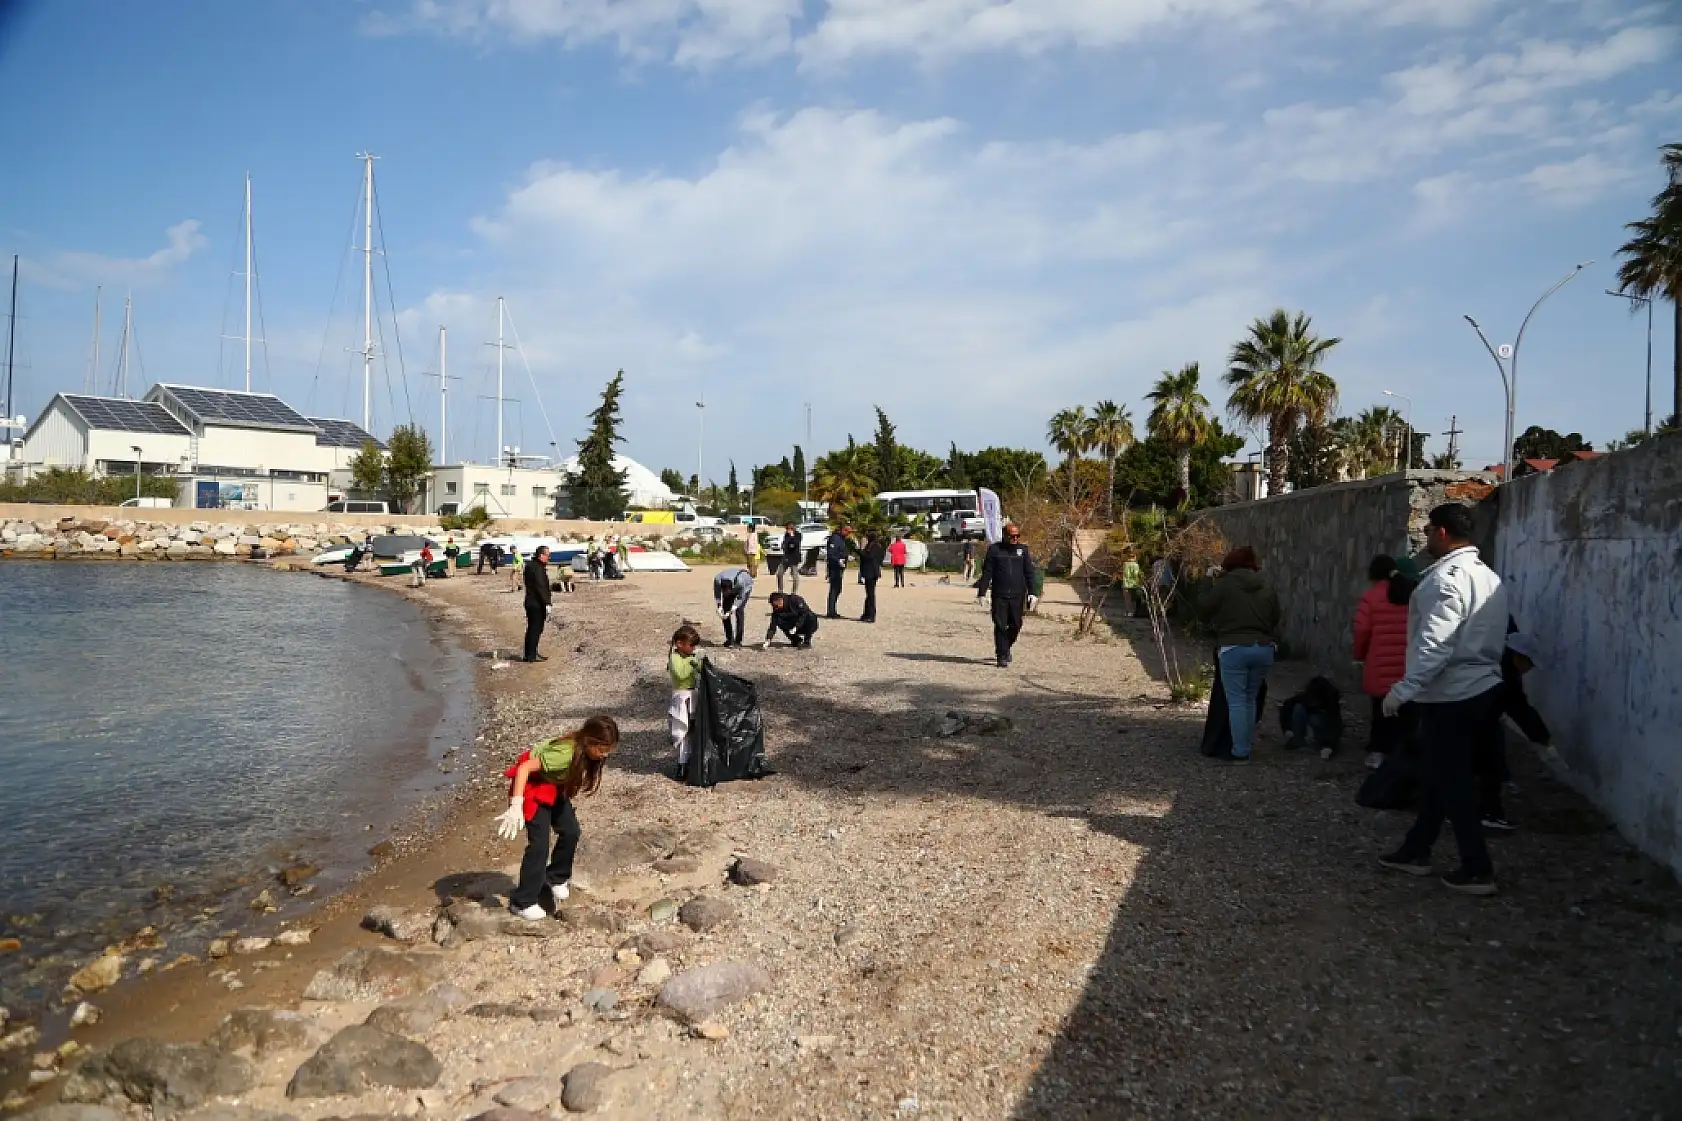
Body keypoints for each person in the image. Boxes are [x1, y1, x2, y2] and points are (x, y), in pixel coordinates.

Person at [1377, 502, 1509, 897]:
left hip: (1452, 694)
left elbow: (1436, 644)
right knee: (1439, 773)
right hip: (1482, 687)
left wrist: (1403, 690)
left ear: (1443, 533)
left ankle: (1477, 868)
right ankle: (1417, 849)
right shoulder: (1487, 576)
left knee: (1453, 780)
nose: (1426, 538)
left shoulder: (1445, 580)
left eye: (1429, 531)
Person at [495, 715, 619, 919]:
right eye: (602, 750)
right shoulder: (564, 754)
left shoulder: (586, 752)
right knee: (539, 846)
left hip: (553, 786)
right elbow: (524, 769)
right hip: (532, 786)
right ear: (589, 741)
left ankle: (555, 877)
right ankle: (522, 902)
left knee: (571, 831)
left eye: (608, 750)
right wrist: (516, 805)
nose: (604, 755)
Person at [1201, 546, 1281, 763]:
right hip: (1263, 648)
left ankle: (1240, 751)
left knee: (1236, 701)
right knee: (1250, 698)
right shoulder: (1266, 586)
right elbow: (1276, 616)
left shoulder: (1225, 585)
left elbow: (1204, 607)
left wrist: (1208, 580)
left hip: (1233, 647)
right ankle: (1246, 745)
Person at [1476, 630, 1551, 832]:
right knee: (1490, 765)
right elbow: (1519, 708)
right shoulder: (1506, 674)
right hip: (1478, 722)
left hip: (1462, 716)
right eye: (1530, 664)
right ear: (1519, 657)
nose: (1529, 670)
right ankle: (1488, 814)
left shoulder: (1492, 659)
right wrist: (1542, 737)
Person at [1353, 554, 1417, 769]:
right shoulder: (1412, 595)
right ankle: (1405, 755)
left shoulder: (1371, 597)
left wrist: (1359, 655)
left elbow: (1361, 630)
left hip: (1379, 664)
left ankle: (1378, 753)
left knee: (1380, 710)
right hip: (1407, 663)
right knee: (1406, 712)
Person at [976, 523, 1038, 668]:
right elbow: (987, 572)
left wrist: (1033, 592)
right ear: (1005, 535)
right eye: (1012, 536)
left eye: (1017, 536)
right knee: (1000, 625)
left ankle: (1006, 647)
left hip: (1017, 595)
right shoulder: (994, 550)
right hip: (999, 595)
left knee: (1016, 625)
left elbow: (1029, 572)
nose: (1015, 539)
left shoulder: (1023, 550)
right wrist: (981, 593)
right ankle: (1001, 655)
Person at [668, 625, 702, 780]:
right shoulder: (674, 658)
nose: (693, 648)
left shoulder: (691, 657)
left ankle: (693, 762)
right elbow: (681, 674)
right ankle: (682, 765)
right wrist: (693, 662)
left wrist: (702, 663)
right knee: (683, 731)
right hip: (681, 697)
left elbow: (700, 670)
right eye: (691, 645)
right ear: (680, 644)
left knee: (694, 730)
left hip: (693, 695)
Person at [1280, 676, 1343, 757]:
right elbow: (1287, 707)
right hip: (1308, 715)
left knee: (1315, 719)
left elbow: (1335, 726)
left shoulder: (1332, 704)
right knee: (1298, 708)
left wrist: (1330, 746)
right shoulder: (1306, 697)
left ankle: (1322, 742)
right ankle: (1297, 740)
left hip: (1321, 721)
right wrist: (1287, 728)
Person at [522, 545, 552, 662]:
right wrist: (547, 603)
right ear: (541, 555)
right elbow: (540, 586)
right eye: (548, 555)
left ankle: (529, 653)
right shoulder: (538, 568)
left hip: (530, 601)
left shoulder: (530, 566)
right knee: (536, 629)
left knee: (532, 628)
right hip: (537, 603)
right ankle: (531, 655)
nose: (549, 558)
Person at [713, 566, 754, 647]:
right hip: (732, 585)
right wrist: (719, 607)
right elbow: (717, 594)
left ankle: (738, 641)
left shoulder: (741, 582)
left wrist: (733, 608)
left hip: (746, 586)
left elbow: (740, 598)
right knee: (725, 611)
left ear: (731, 589)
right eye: (724, 592)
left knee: (739, 611)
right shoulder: (717, 580)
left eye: (727, 593)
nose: (725, 594)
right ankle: (729, 639)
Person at [824, 525, 852, 619]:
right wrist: (838, 560)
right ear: (842, 530)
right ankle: (831, 611)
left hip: (840, 567)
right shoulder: (835, 538)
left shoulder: (842, 539)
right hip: (834, 567)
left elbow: (841, 551)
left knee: (837, 589)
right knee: (834, 589)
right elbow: (831, 554)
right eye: (847, 531)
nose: (848, 534)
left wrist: (847, 557)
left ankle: (833, 610)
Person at [858, 531, 885, 623]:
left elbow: (869, 557)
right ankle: (866, 613)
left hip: (871, 572)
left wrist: (861, 551)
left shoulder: (874, 547)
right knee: (869, 594)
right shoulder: (877, 546)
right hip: (872, 571)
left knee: (871, 594)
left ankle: (871, 615)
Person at [777, 524, 802, 593]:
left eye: (788, 529)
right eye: (787, 529)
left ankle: (794, 592)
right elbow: (785, 544)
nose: (787, 531)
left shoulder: (798, 535)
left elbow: (795, 544)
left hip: (794, 558)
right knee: (779, 573)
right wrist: (784, 546)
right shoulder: (786, 535)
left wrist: (792, 536)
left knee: (794, 576)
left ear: (792, 529)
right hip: (786, 557)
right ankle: (780, 590)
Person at [1120, 550, 1144, 617]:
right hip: (1134, 584)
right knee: (1135, 599)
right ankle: (1134, 612)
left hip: (1126, 584)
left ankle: (1129, 612)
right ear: (1134, 557)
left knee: (1128, 600)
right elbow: (1137, 574)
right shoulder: (1136, 565)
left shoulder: (1125, 564)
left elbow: (1124, 574)